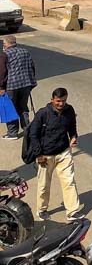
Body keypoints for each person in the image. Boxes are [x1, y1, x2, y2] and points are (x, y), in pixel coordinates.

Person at [28, 87, 83, 221]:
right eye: (58, 101)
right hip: (45, 156)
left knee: (69, 182)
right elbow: (33, 135)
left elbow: (72, 127)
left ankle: (72, 212)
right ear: (52, 100)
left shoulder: (69, 110)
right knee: (44, 185)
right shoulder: (43, 114)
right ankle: (41, 210)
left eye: (64, 101)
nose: (61, 104)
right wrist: (38, 154)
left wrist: (74, 137)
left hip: (63, 153)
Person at [1, 34, 35, 140]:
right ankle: (27, 130)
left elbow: (2, 72)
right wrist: (31, 82)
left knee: (9, 108)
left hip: (11, 86)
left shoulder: (4, 54)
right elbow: (32, 67)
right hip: (26, 84)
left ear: (6, 44)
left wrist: (1, 87)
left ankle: (12, 133)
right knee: (23, 107)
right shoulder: (26, 52)